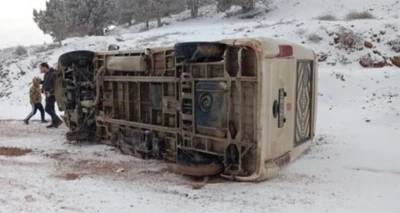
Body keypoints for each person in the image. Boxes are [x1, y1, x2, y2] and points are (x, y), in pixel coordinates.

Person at [40, 62, 63, 128]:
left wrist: (50, 92)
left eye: (41, 68)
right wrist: (41, 82)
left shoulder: (53, 73)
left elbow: (56, 85)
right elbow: (46, 82)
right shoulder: (46, 74)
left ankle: (58, 120)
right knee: (52, 108)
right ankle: (55, 123)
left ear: (44, 67)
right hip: (47, 93)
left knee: (47, 108)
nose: (40, 70)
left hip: (51, 94)